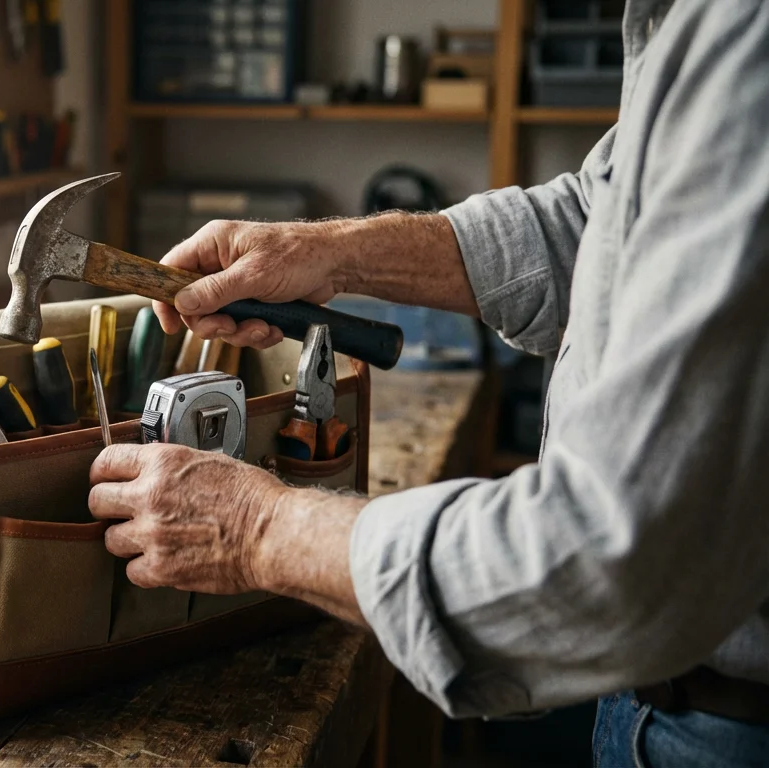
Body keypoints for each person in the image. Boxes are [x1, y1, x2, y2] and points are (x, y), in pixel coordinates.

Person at [86, 1, 769, 765]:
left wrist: (256, 529)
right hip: (659, 698)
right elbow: (600, 219)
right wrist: (332, 252)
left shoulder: (747, 39)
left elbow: (617, 560)